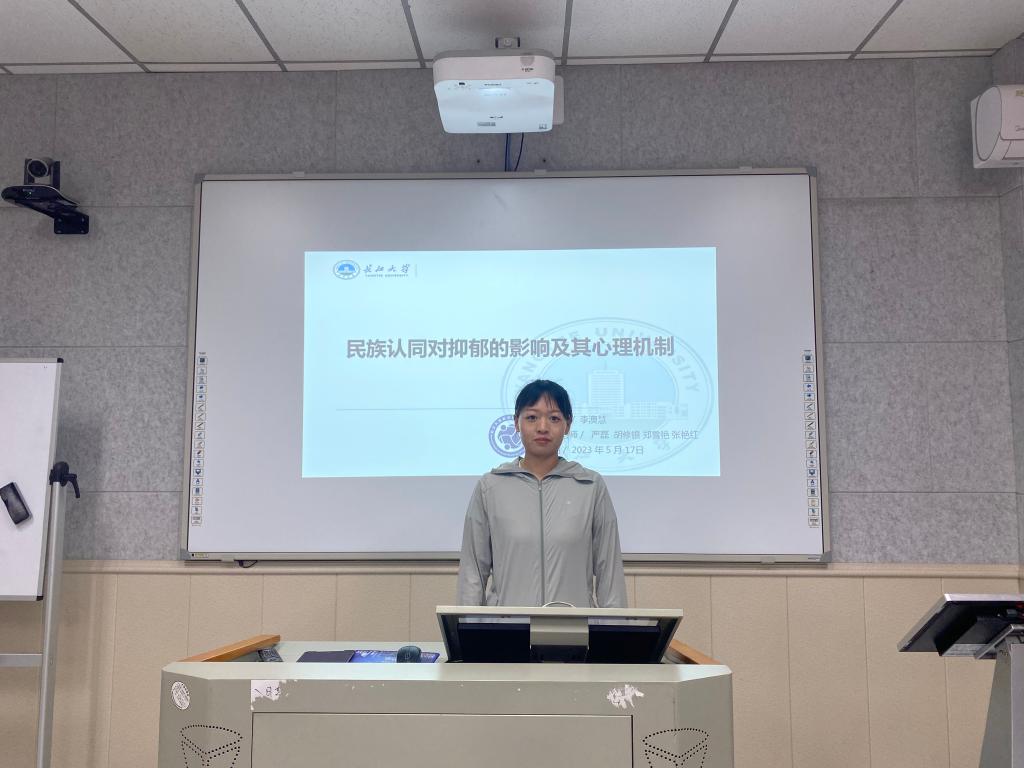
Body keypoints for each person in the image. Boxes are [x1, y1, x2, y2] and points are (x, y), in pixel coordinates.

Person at [457, 380, 628, 607]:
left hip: (574, 625)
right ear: (516, 423)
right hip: (508, 625)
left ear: (568, 425)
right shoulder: (490, 487)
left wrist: (615, 627)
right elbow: (473, 573)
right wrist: (468, 626)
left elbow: (610, 573)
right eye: (532, 417)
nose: (543, 427)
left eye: (554, 418)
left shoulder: (590, 486)